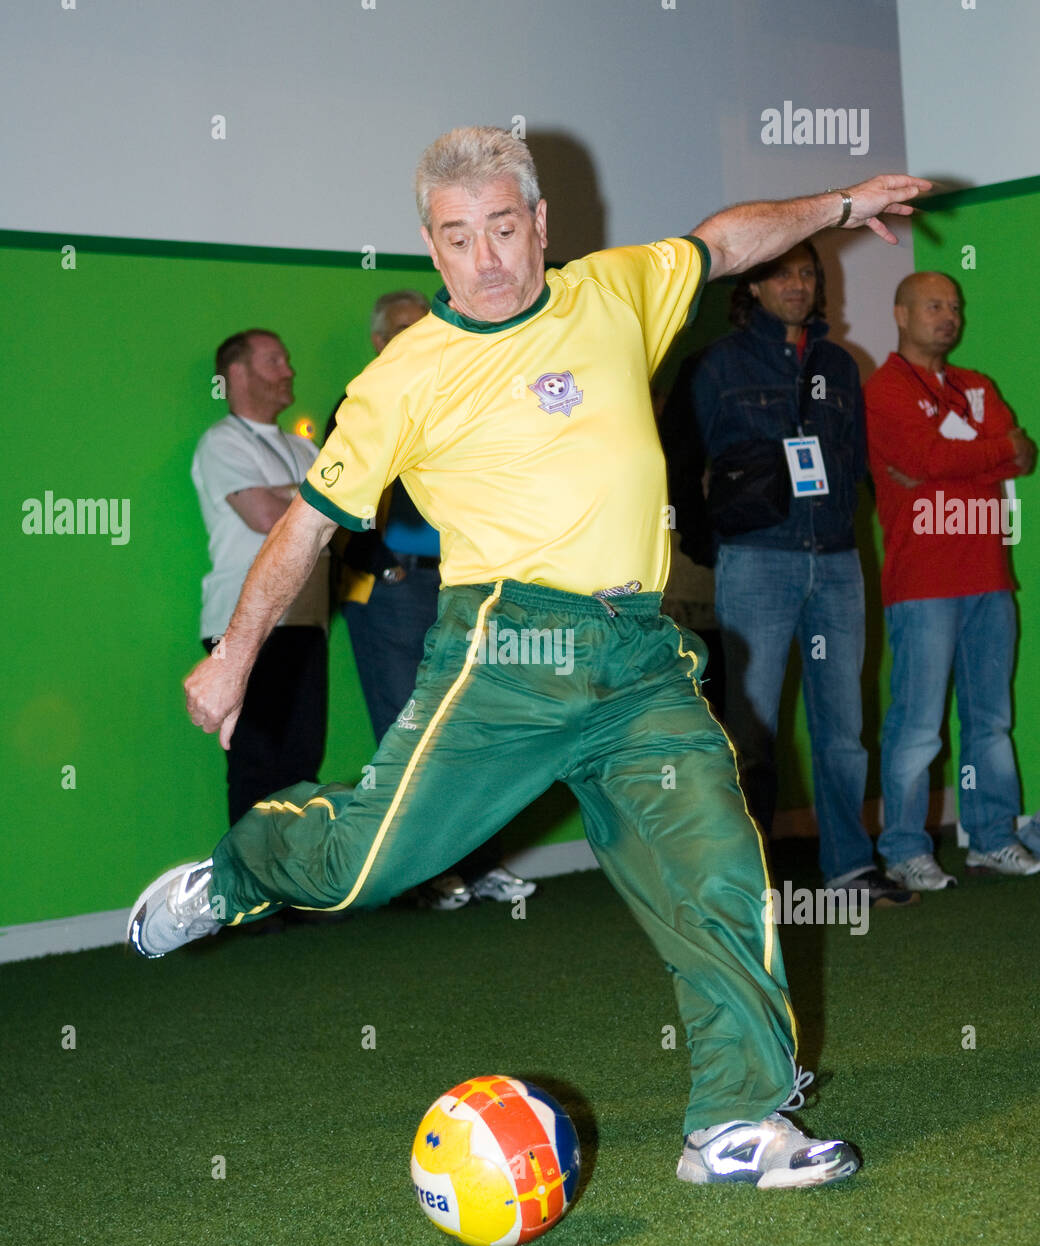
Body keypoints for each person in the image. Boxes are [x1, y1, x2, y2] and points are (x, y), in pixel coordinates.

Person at [130, 127, 929, 1190]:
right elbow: (309, 525)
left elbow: (724, 243)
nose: (487, 258)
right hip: (506, 652)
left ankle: (732, 1122)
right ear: (431, 245)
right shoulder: (404, 378)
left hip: (640, 652)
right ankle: (238, 871)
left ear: (538, 225)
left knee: (717, 867)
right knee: (362, 867)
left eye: (504, 229)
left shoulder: (612, 292)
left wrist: (837, 204)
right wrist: (233, 653)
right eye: (458, 239)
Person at [685, 243, 914, 908]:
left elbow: (856, 462)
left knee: (843, 730)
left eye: (809, 272)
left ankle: (849, 867)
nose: (798, 283)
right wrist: (708, 545)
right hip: (756, 560)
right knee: (749, 730)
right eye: (782, 272)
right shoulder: (718, 365)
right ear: (752, 287)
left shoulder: (841, 366)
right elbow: (678, 461)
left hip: (838, 561)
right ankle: (743, 879)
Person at [327, 290, 537, 910]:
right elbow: (334, 494)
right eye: (400, 326)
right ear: (377, 341)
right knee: (408, 730)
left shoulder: (468, 393)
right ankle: (421, 876)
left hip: (461, 586)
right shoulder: (363, 397)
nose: (417, 331)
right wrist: (382, 566)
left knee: (472, 726)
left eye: (425, 321)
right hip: (392, 590)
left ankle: (477, 865)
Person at [864, 272, 1040, 888]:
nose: (949, 316)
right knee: (917, 724)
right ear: (901, 314)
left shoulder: (978, 385)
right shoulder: (883, 390)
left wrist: (957, 462)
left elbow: (1024, 454)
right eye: (934, 305)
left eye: (956, 307)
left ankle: (992, 838)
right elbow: (924, 460)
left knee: (990, 719)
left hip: (990, 577)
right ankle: (905, 848)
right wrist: (983, 456)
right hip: (922, 584)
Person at [191, 330, 328, 825]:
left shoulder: (302, 446)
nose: (289, 370)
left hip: (307, 623)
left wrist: (296, 496)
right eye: (275, 361)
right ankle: (254, 899)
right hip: (241, 624)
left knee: (300, 767)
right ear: (238, 374)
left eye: (287, 359)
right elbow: (265, 515)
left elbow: (349, 516)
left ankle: (294, 896)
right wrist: (312, 497)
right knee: (257, 764)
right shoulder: (221, 442)